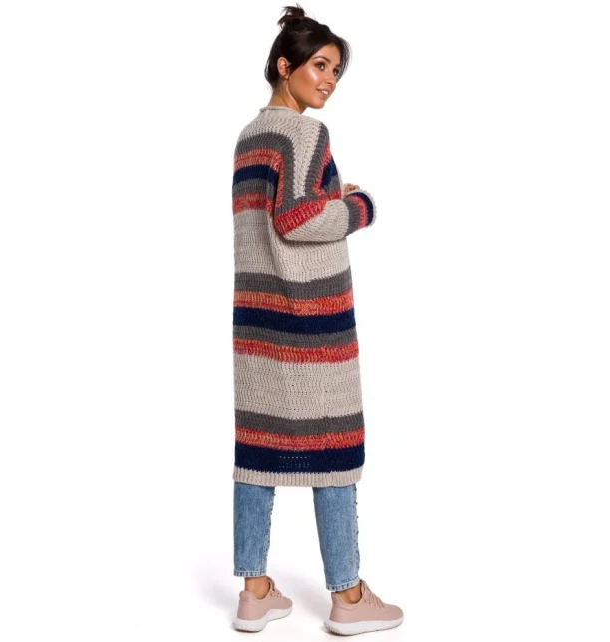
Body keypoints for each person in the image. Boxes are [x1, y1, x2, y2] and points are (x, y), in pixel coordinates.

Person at [230, 4, 404, 635]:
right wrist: (359, 206)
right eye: (320, 66)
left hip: (257, 324)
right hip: (312, 323)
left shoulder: (249, 136)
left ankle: (254, 593)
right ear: (286, 66)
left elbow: (273, 216)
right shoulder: (305, 134)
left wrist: (330, 198)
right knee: (334, 451)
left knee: (258, 455)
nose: (329, 80)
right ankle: (349, 598)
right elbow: (298, 218)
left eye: (336, 71)